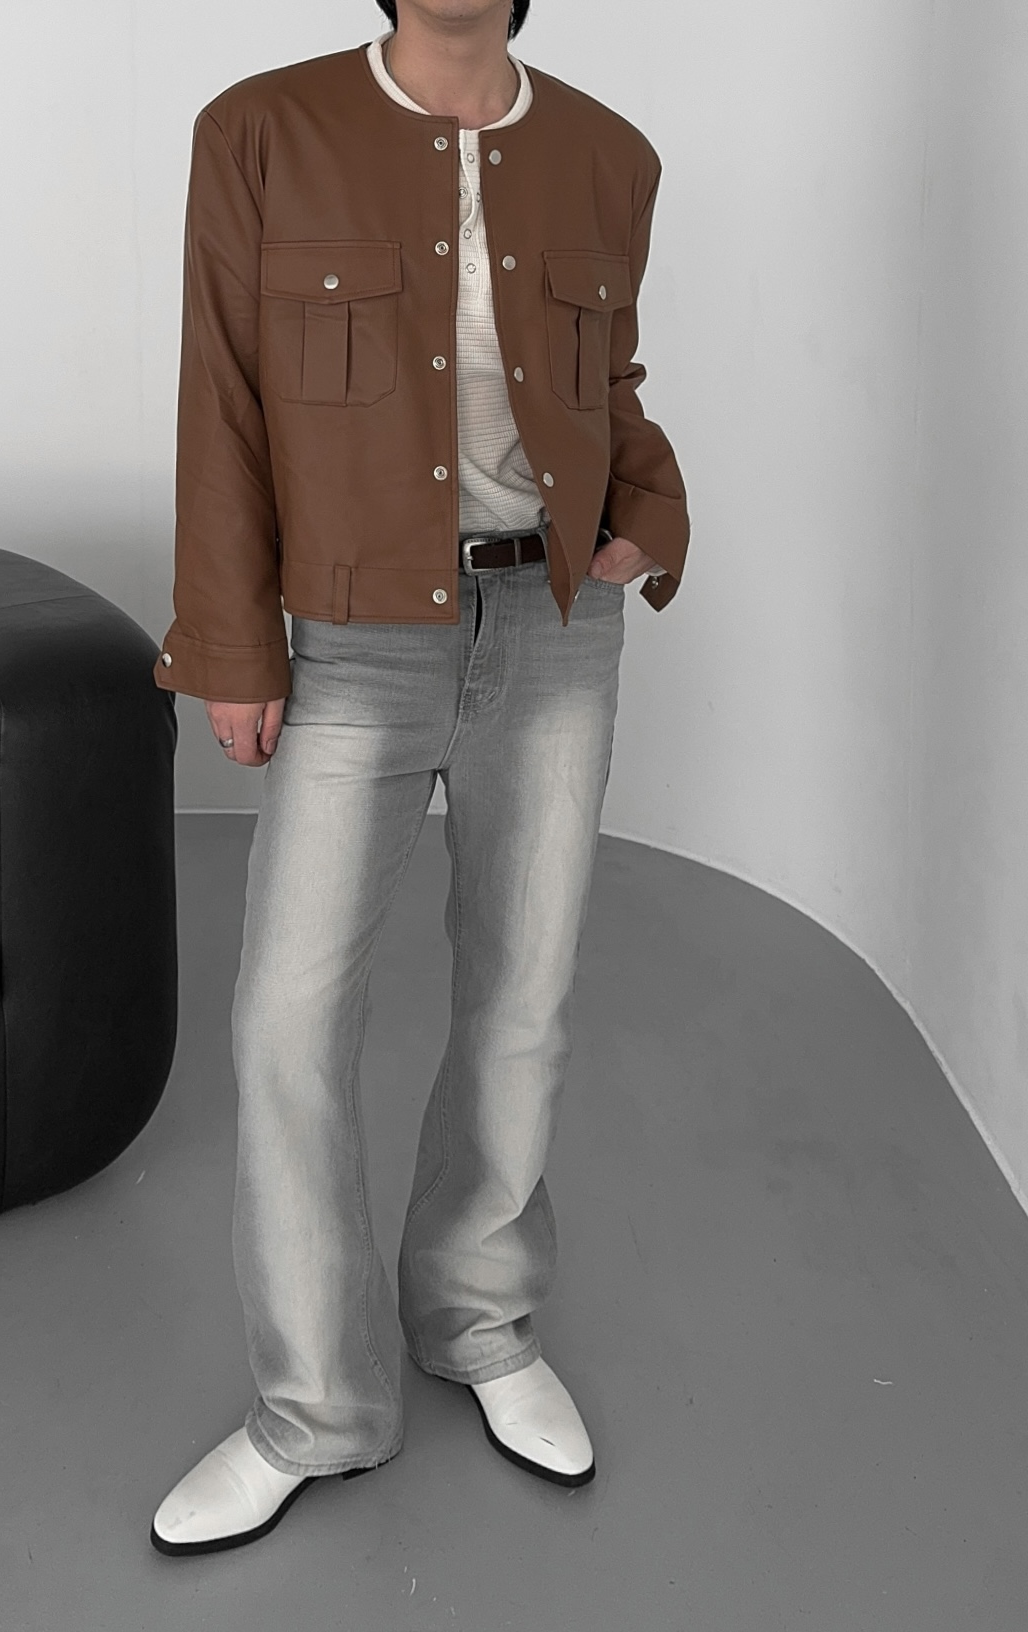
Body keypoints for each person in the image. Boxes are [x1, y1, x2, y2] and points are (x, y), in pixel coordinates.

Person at [149, 0, 690, 1555]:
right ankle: (313, 1407)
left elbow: (611, 388)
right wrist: (233, 646)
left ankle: (480, 1321)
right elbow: (222, 397)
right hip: (350, 638)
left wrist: (652, 522)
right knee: (288, 1023)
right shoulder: (261, 131)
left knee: (523, 1000)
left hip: (556, 628)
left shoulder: (611, 155)